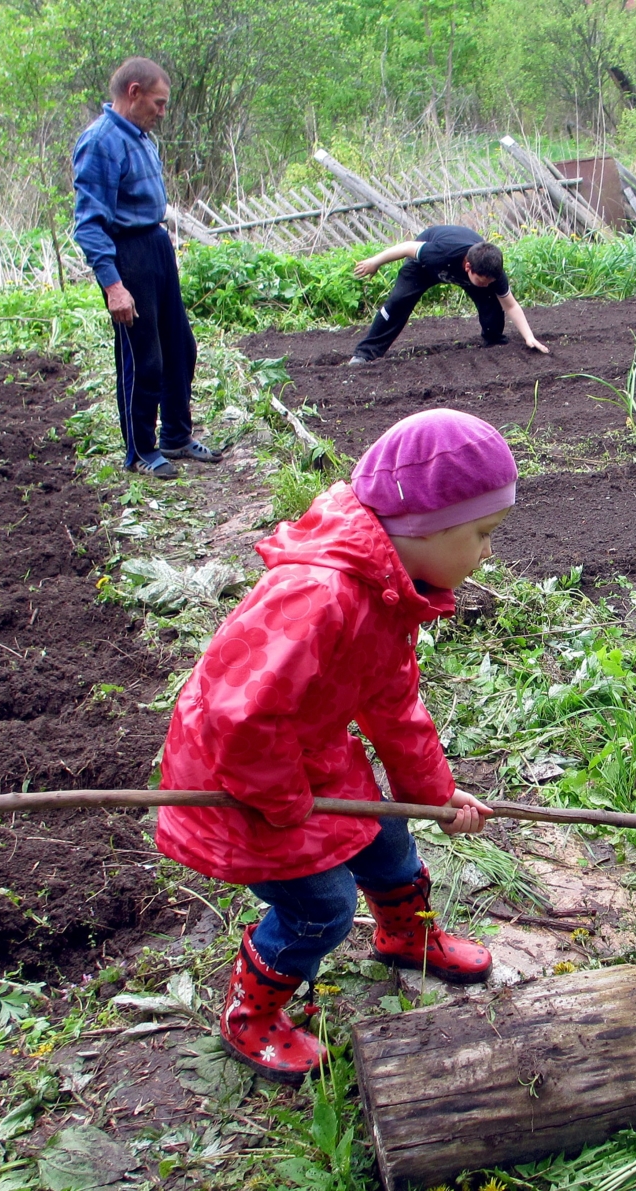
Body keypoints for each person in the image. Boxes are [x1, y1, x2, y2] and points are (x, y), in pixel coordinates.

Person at [156, 408, 514, 1084]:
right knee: (318, 905)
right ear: (424, 526)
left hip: (307, 753)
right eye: (482, 534)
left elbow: (393, 706)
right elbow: (242, 719)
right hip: (245, 778)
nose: (487, 553)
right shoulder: (319, 597)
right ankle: (251, 1015)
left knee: (389, 842)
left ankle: (405, 933)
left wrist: (435, 794)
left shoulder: (389, 591)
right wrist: (290, 804)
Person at [72, 57, 223, 480]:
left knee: (181, 348)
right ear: (133, 92)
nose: (162, 112)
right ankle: (140, 450)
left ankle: (175, 436)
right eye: (157, 103)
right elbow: (88, 223)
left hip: (156, 244)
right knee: (144, 359)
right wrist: (113, 285)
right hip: (127, 252)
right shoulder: (100, 142)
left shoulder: (141, 137)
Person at [348, 224, 550, 364]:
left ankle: (494, 339)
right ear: (468, 267)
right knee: (398, 301)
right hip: (426, 267)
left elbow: (511, 305)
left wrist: (529, 337)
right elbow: (406, 247)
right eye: (483, 280)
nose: (487, 283)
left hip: (467, 269)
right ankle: (365, 354)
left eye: (491, 280)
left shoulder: (491, 272)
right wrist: (374, 262)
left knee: (492, 302)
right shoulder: (440, 252)